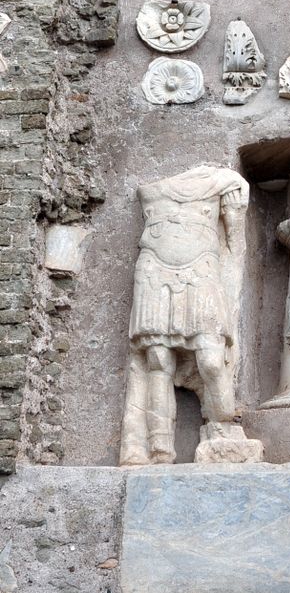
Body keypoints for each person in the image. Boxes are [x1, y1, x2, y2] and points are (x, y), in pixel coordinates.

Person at [119, 164, 249, 465]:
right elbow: (146, 193)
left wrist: (235, 210)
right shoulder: (152, 192)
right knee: (158, 360)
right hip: (154, 273)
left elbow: (234, 245)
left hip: (201, 272)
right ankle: (160, 451)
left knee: (212, 361)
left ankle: (223, 424)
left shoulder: (226, 183)